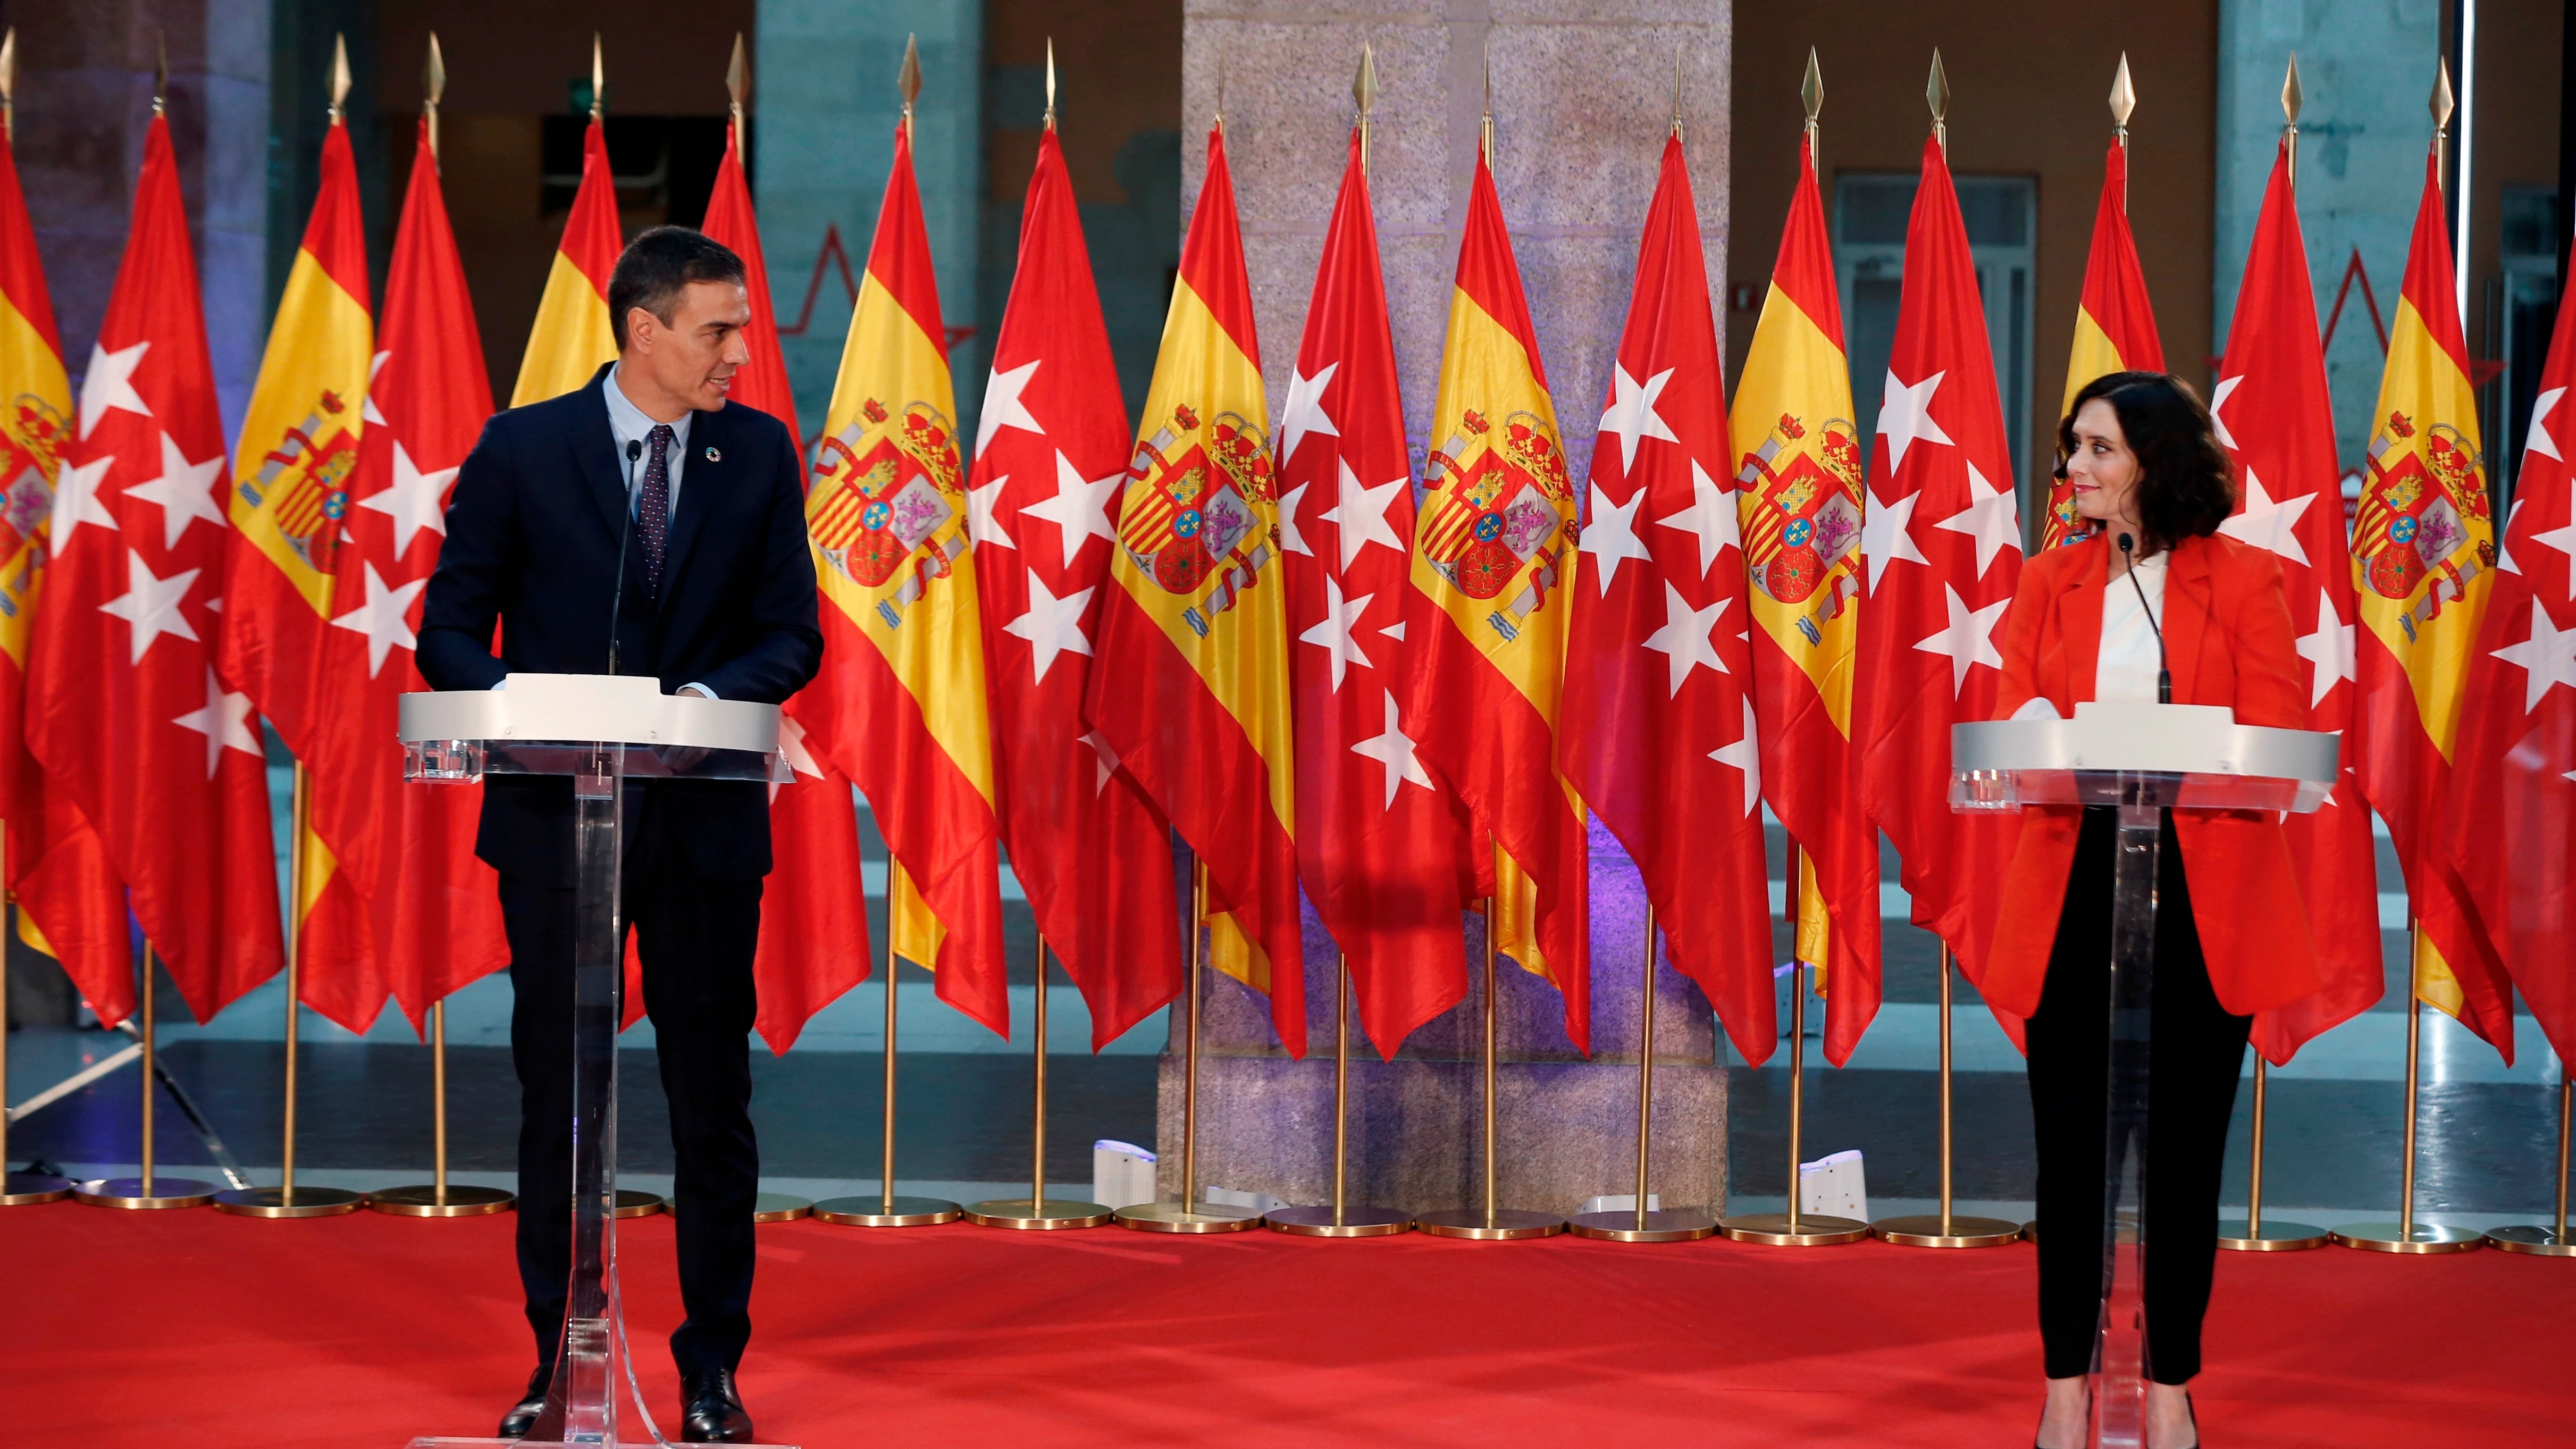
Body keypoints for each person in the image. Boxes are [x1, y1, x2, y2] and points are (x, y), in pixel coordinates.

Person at [418, 226, 822, 1444]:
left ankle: (711, 1373)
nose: (741, 355)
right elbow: (448, 627)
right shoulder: (522, 448)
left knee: (713, 1100)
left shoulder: (754, 454)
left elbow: (789, 634)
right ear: (643, 330)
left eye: (742, 328)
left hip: (700, 817)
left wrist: (699, 707)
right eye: (718, 330)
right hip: (557, 820)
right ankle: (561, 1360)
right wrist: (524, 705)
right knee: (560, 1100)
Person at [1985, 372, 2321, 1449]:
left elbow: (2274, 737)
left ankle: (2171, 1383)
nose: (2072, 469)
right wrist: (2038, 730)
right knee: (2068, 1161)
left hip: (2200, 895)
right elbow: (2006, 727)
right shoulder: (2050, 584)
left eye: (2095, 449)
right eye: (2071, 446)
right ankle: (2062, 1390)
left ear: (2155, 462)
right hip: (2075, 890)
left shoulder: (2248, 580)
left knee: (2182, 1158)